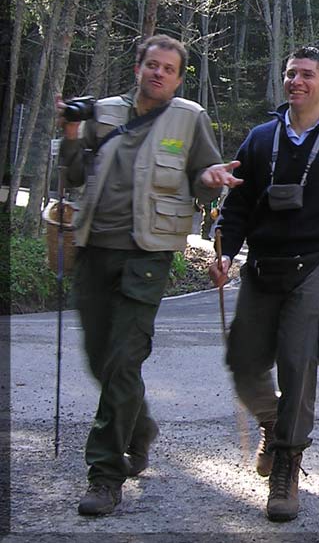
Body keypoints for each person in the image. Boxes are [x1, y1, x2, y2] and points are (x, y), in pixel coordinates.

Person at [56, 34, 241, 516]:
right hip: (94, 250)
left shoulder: (189, 118)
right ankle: (139, 428)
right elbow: (71, 175)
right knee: (99, 360)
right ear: (138, 67)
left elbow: (204, 178)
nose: (159, 73)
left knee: (123, 361)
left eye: (168, 69)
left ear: (178, 79)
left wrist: (211, 179)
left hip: (148, 255)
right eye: (152, 65)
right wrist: (71, 130)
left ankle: (104, 475)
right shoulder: (102, 112)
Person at [208, 46, 319, 522]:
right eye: (290, 73)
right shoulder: (260, 138)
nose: (296, 81)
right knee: (243, 363)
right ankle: (273, 421)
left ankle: (287, 464)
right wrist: (225, 252)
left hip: (316, 267)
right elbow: (237, 206)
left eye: (307, 74)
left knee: (298, 363)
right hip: (262, 265)